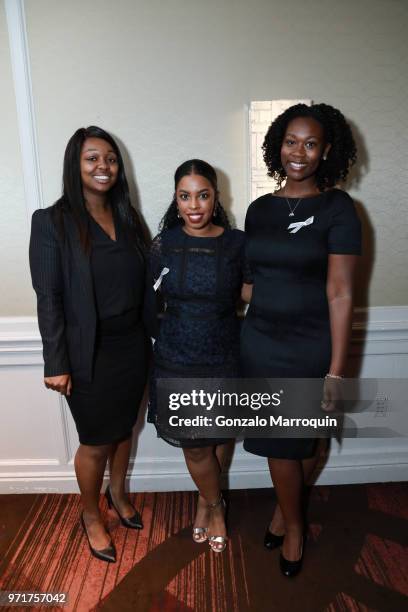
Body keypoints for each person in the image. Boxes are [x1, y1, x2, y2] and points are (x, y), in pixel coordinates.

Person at [241, 103, 361, 576]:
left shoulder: (339, 208)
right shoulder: (259, 209)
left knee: (307, 440)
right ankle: (293, 522)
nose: (299, 152)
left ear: (326, 150)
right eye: (291, 141)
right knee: (279, 444)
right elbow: (251, 284)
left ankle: (287, 516)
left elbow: (340, 291)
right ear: (277, 145)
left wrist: (336, 370)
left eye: (311, 143)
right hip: (261, 340)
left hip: (310, 343)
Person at [29, 126, 149, 563]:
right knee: (96, 440)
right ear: (75, 165)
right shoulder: (51, 222)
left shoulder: (129, 217)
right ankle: (89, 513)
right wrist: (56, 362)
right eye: (92, 158)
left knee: (124, 431)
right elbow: (50, 298)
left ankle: (118, 493)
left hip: (133, 345)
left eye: (111, 159)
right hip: (87, 352)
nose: (104, 167)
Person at [148, 159, 250, 552]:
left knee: (219, 436)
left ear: (216, 198)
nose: (194, 205)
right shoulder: (164, 244)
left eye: (203, 195)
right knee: (194, 444)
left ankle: (203, 500)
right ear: (175, 201)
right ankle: (215, 503)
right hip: (177, 355)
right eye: (185, 196)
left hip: (224, 352)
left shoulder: (237, 243)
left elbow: (249, 293)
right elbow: (149, 301)